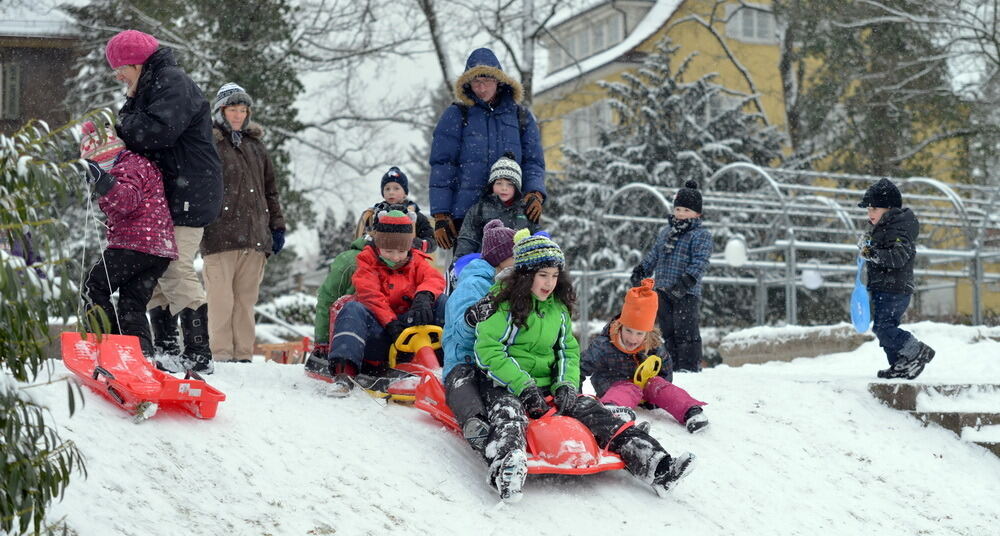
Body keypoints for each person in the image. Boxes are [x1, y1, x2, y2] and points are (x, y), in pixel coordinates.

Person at [474, 229, 695, 502]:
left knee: (594, 412)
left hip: (547, 384)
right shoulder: (504, 306)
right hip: (505, 384)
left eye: (555, 276)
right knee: (508, 415)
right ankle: (506, 470)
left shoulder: (558, 308)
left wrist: (566, 383)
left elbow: (568, 349)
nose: (549, 283)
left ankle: (657, 467)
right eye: (542, 275)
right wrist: (522, 386)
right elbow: (489, 351)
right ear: (526, 275)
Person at [105, 29, 223, 373]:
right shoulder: (147, 86)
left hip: (188, 191)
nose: (118, 76)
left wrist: (121, 122)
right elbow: (134, 130)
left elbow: (157, 132)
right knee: (152, 265)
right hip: (167, 192)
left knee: (175, 266)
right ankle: (168, 343)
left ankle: (199, 350)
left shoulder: (171, 81)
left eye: (120, 68)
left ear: (136, 62)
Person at [199, 83, 286, 366]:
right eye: (232, 109)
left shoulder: (257, 147)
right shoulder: (209, 143)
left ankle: (243, 356)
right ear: (221, 111)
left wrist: (277, 226)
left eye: (242, 110)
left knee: (246, 303)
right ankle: (221, 356)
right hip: (219, 235)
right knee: (221, 301)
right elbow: (198, 185)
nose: (238, 115)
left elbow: (270, 190)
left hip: (254, 238)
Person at [428, 47, 546, 250]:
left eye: (487, 81)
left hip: (512, 212)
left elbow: (532, 160)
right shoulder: (457, 115)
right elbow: (443, 165)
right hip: (466, 215)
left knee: (513, 277)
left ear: (499, 81)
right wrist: (441, 214)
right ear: (468, 83)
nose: (481, 88)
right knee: (470, 274)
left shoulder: (520, 117)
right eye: (476, 82)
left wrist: (535, 192)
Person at [78, 121, 177, 358]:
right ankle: (140, 355)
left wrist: (102, 179)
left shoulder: (128, 165)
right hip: (157, 249)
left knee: (94, 286)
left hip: (135, 244)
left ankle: (106, 345)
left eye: (102, 164)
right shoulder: (138, 164)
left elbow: (127, 200)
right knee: (132, 303)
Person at [326, 210, 446, 396]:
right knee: (352, 309)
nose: (396, 257)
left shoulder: (417, 261)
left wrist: (424, 296)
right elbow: (371, 296)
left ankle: (447, 365)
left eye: (401, 251)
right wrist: (391, 324)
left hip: (412, 331)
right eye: (389, 251)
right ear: (378, 245)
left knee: (442, 302)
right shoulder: (367, 263)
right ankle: (345, 375)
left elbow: (434, 279)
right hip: (380, 334)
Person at [581, 278, 708, 433]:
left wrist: (658, 392)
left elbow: (666, 367)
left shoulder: (653, 344)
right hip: (613, 387)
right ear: (620, 326)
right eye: (628, 331)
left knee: (660, 386)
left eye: (639, 333)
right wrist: (576, 395)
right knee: (626, 388)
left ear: (647, 332)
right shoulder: (604, 345)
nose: (632, 338)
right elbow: (580, 367)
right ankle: (612, 410)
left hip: (644, 386)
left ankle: (691, 411)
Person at [442, 219, 516, 452]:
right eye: (515, 257)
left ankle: (508, 420)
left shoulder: (510, 284)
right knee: (464, 386)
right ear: (499, 259)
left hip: (492, 359)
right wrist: (471, 319)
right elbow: (459, 333)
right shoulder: (472, 285)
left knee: (498, 387)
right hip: (464, 359)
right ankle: (474, 422)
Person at [630, 180, 713, 372]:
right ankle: (672, 365)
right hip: (663, 290)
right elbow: (655, 255)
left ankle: (689, 366)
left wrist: (686, 282)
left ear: (697, 213)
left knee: (686, 330)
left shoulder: (700, 235)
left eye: (687, 210)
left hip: (686, 292)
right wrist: (642, 270)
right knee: (668, 330)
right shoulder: (666, 232)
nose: (681, 214)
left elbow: (700, 261)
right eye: (678, 209)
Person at [858, 177, 935, 379]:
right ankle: (901, 363)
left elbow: (898, 257)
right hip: (884, 286)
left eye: (874, 209)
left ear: (888, 209)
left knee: (884, 328)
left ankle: (916, 351)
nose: (869, 213)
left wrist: (872, 253)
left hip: (895, 287)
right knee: (883, 329)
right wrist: (868, 247)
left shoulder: (898, 228)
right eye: (868, 209)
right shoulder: (883, 228)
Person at [305, 235, 370, 376]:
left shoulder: (407, 260)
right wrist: (322, 340)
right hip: (350, 331)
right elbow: (327, 298)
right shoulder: (350, 261)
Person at [453, 154, 537, 259]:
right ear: (492, 185)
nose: (504, 188)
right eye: (499, 183)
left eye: (510, 184)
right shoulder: (480, 209)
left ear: (517, 188)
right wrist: (460, 261)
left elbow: (536, 237)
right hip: (484, 263)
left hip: (516, 264)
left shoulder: (526, 210)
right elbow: (468, 239)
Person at [355, 167, 435, 252]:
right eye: (387, 189)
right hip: (381, 262)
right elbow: (366, 238)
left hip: (411, 262)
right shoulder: (375, 215)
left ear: (405, 193)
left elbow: (432, 241)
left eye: (396, 188)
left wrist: (419, 244)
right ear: (383, 193)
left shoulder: (416, 215)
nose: (391, 192)